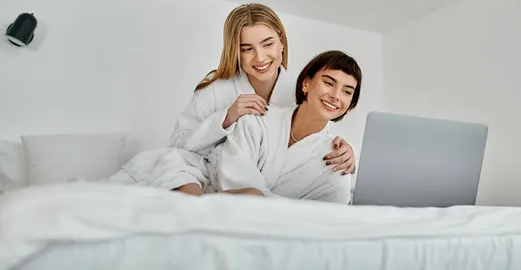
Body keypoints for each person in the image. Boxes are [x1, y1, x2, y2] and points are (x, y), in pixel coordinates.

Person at [110, 50, 361, 204]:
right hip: (197, 179)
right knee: (244, 195)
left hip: (241, 209)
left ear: (349, 104)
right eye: (329, 83)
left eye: (347, 92)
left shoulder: (336, 157)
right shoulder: (259, 116)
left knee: (251, 197)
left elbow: (334, 208)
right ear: (306, 84)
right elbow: (236, 180)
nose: (335, 95)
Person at [166, 3, 356, 175]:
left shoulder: (300, 91)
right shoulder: (216, 87)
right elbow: (176, 147)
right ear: (235, 51)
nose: (260, 58)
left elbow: (314, 139)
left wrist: (344, 150)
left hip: (264, 188)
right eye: (247, 49)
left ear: (281, 41)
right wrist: (227, 118)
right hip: (211, 179)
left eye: (268, 44)